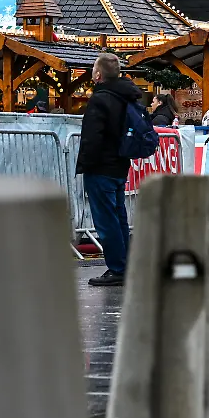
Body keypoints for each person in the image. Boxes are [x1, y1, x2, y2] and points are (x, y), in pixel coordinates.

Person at [77, 54, 142, 287]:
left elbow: (92, 137)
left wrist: (86, 163)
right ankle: (125, 264)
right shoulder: (127, 97)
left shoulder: (100, 100)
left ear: (98, 74)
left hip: (101, 167)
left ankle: (117, 268)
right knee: (119, 216)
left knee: (106, 220)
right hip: (120, 164)